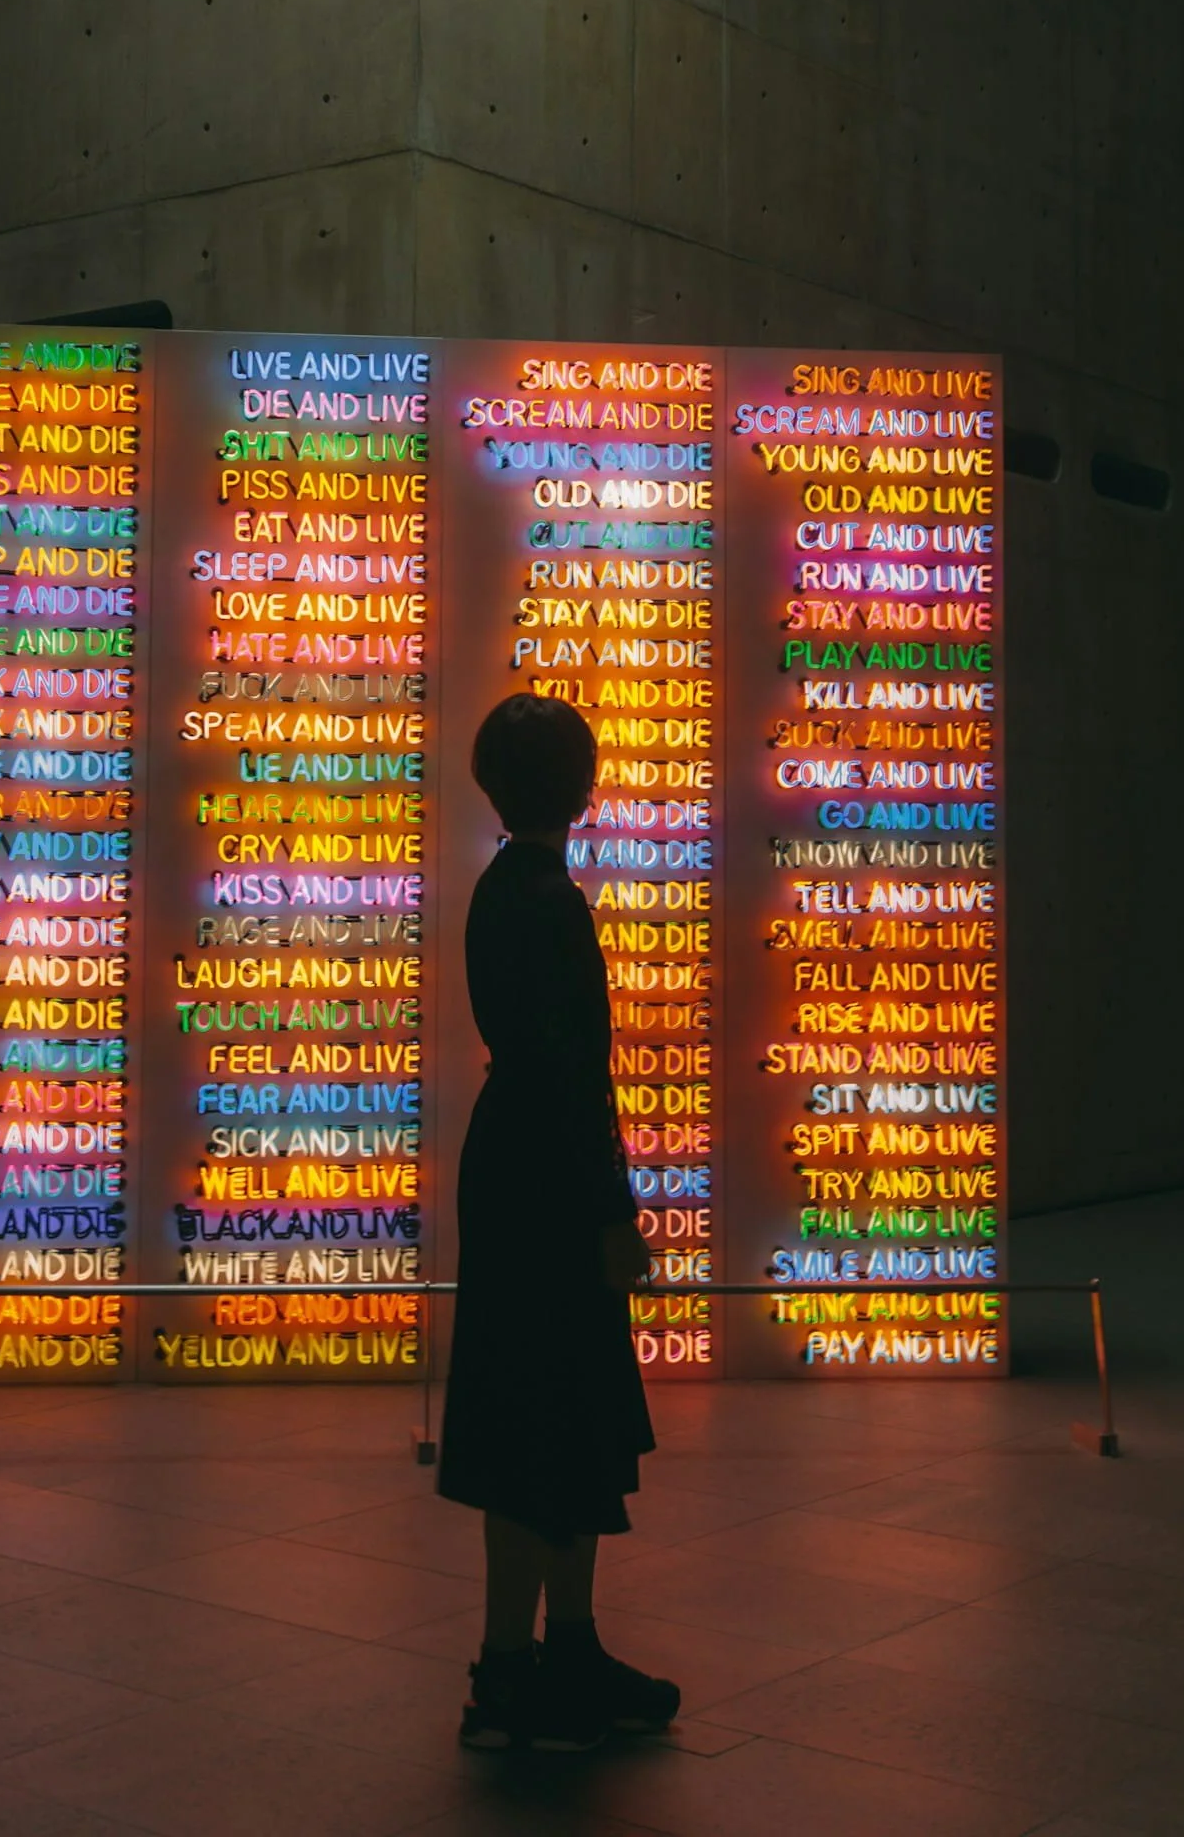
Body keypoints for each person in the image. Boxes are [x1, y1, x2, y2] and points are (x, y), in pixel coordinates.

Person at [438, 692, 682, 1752]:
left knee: (537, 1416)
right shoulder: (554, 905)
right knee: (556, 1415)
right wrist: (615, 1216)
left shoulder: (500, 891)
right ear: (585, 789)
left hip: (509, 1172)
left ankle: (543, 1656)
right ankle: (526, 1666)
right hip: (553, 1183)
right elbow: (580, 1081)